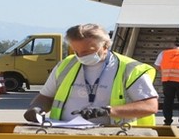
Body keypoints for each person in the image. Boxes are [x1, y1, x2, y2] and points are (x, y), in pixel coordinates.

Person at [24, 23, 158, 126]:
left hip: (115, 137)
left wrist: (108, 111)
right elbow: (45, 97)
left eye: (88, 51)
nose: (81, 56)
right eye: (76, 51)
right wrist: (35, 109)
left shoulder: (129, 69)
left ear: (105, 46)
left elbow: (150, 106)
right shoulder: (66, 65)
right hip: (66, 134)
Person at [155, 38, 179, 127]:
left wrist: (165, 71)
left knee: (168, 101)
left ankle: (167, 121)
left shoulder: (164, 53)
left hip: (168, 80)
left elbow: (157, 65)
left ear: (174, 45)